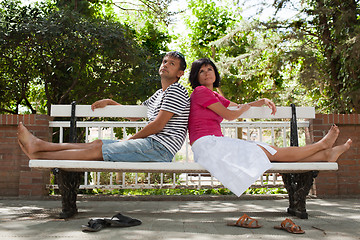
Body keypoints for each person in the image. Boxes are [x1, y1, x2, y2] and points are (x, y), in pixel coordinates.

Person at [188, 58, 352, 197]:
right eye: (202, 71)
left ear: (215, 73)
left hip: (214, 143)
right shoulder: (200, 91)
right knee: (273, 152)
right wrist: (243, 109)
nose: (207, 73)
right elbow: (231, 115)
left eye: (210, 69)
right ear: (196, 76)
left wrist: (261, 101)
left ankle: (326, 154)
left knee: (272, 153)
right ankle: (321, 146)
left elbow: (237, 106)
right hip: (207, 145)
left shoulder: (214, 94)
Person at [18, 51, 190, 163]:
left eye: (172, 64)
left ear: (180, 74)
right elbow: (134, 116)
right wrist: (111, 102)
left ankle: (39, 153)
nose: (165, 64)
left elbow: (158, 125)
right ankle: (39, 147)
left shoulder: (176, 90)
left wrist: (130, 140)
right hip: (151, 146)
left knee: (96, 149)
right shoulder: (160, 93)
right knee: (98, 143)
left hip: (159, 149)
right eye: (164, 61)